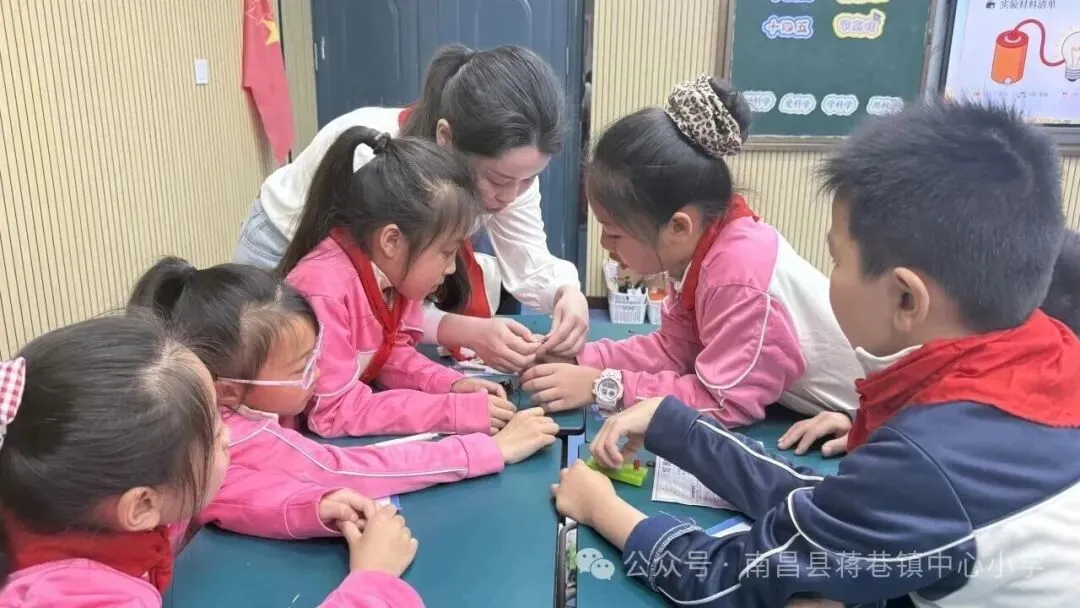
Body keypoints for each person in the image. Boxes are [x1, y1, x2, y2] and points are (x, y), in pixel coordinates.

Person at [550, 100, 1080, 607]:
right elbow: (829, 505)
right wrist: (673, 424)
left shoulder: (929, 461)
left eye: (837, 260)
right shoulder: (1039, 362)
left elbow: (731, 580)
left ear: (905, 298)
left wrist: (603, 510)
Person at [0, 316, 423, 607]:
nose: (229, 437)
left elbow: (221, 494)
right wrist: (373, 584)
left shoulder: (84, 498)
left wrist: (312, 506)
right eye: (215, 435)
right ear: (142, 505)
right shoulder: (74, 596)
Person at [523, 75, 860, 426]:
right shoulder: (704, 249)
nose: (606, 245)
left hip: (871, 421)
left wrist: (604, 386)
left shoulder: (737, 277)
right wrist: (583, 360)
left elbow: (723, 403)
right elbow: (677, 350)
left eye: (614, 232)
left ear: (678, 227)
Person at [234, 44, 589, 369]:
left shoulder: (510, 169)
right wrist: (467, 331)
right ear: (445, 137)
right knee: (282, 370)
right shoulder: (372, 161)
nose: (510, 196)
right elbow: (367, 300)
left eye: (528, 179)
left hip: (374, 280)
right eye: (498, 180)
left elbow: (527, 259)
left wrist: (567, 294)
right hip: (283, 244)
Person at [128, 256, 559, 503]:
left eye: (315, 356)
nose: (317, 373)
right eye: (301, 367)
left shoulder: (248, 403)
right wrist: (489, 450)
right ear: (229, 390)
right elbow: (343, 469)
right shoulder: (238, 433)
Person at [276, 126, 525, 438]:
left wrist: (451, 385)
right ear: (392, 241)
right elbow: (334, 411)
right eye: (447, 252)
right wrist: (449, 411)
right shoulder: (323, 292)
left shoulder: (391, 274)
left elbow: (389, 354)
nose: (451, 269)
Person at [780, 229, 1080, 458]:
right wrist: (863, 420)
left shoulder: (943, 440)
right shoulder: (1043, 354)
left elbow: (829, 513)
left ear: (907, 298)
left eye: (837, 261)